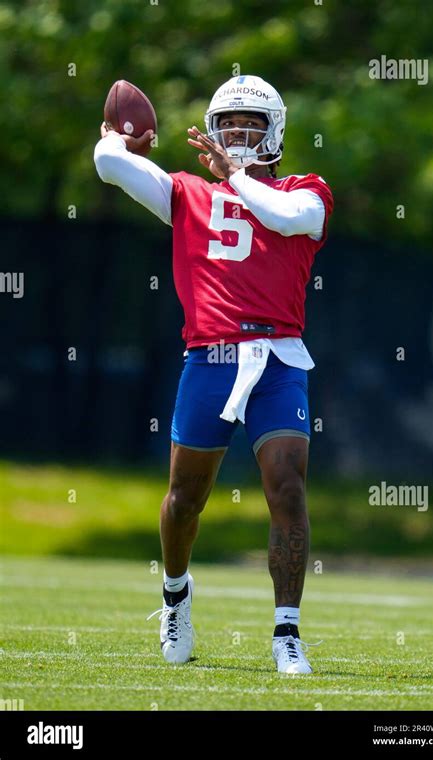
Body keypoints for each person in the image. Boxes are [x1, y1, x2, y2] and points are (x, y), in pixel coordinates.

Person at [94, 74, 333, 674]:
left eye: (251, 124)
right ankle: (176, 594)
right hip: (211, 358)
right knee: (184, 499)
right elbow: (107, 166)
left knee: (288, 486)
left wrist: (238, 176)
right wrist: (122, 138)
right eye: (229, 125)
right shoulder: (188, 193)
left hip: (278, 358)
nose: (239, 134)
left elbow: (281, 217)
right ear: (214, 129)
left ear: (275, 131)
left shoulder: (307, 191)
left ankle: (287, 632)